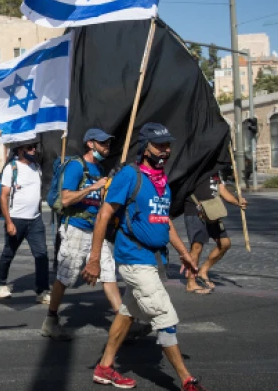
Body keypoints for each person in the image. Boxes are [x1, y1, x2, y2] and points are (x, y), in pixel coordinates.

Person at [82, 123, 207, 391]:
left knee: (128, 312)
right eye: (159, 145)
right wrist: (94, 258)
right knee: (164, 315)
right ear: (145, 148)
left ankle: (104, 367)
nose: (166, 150)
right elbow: (104, 214)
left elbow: (165, 222)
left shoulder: (161, 181)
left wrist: (185, 254)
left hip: (154, 259)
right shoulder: (130, 175)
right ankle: (186, 380)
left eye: (167, 145)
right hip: (134, 258)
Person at [42, 128, 116, 340]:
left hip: (95, 229)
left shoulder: (100, 168)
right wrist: (93, 187)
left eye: (108, 144)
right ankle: (51, 320)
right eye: (103, 143)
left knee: (108, 272)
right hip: (75, 226)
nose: (106, 147)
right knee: (66, 275)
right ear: (90, 144)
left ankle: (122, 320)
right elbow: (65, 199)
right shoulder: (77, 166)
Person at [0, 141, 49, 303]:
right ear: (20, 150)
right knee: (9, 253)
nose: (34, 150)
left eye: (34, 147)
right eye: (30, 147)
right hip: (16, 219)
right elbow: (4, 196)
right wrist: (9, 222)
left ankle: (42, 290)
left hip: (35, 219)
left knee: (42, 255)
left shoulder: (37, 167)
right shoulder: (12, 168)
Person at [182, 163, 246, 294]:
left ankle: (203, 271)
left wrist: (237, 201)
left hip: (212, 211)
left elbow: (222, 191)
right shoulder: (197, 165)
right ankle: (191, 283)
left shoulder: (216, 171)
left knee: (225, 243)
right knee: (196, 246)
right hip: (195, 209)